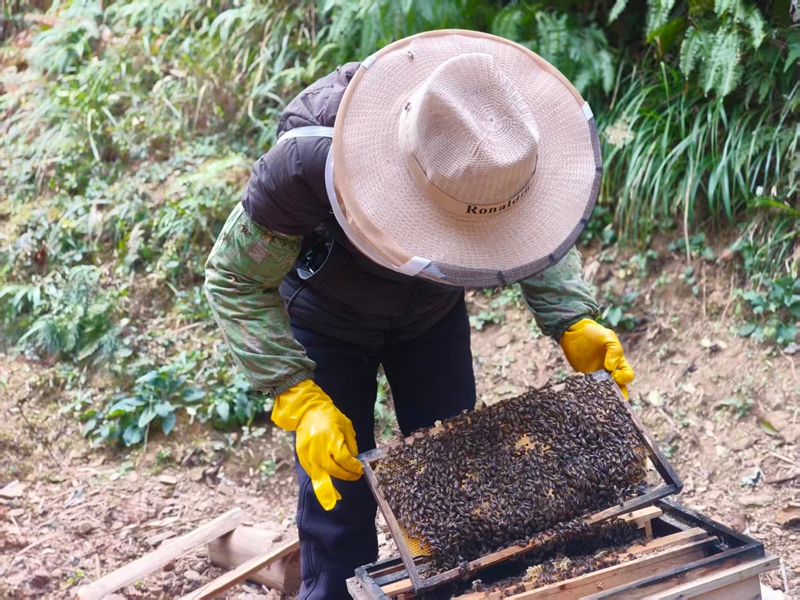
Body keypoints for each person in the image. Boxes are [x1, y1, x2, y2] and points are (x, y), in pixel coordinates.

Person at [205, 30, 634, 600]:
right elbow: (234, 276)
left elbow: (530, 228)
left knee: (458, 485)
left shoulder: (500, 131)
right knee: (339, 501)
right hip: (326, 321)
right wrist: (294, 392)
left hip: (430, 316)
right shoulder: (306, 162)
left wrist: (571, 317)